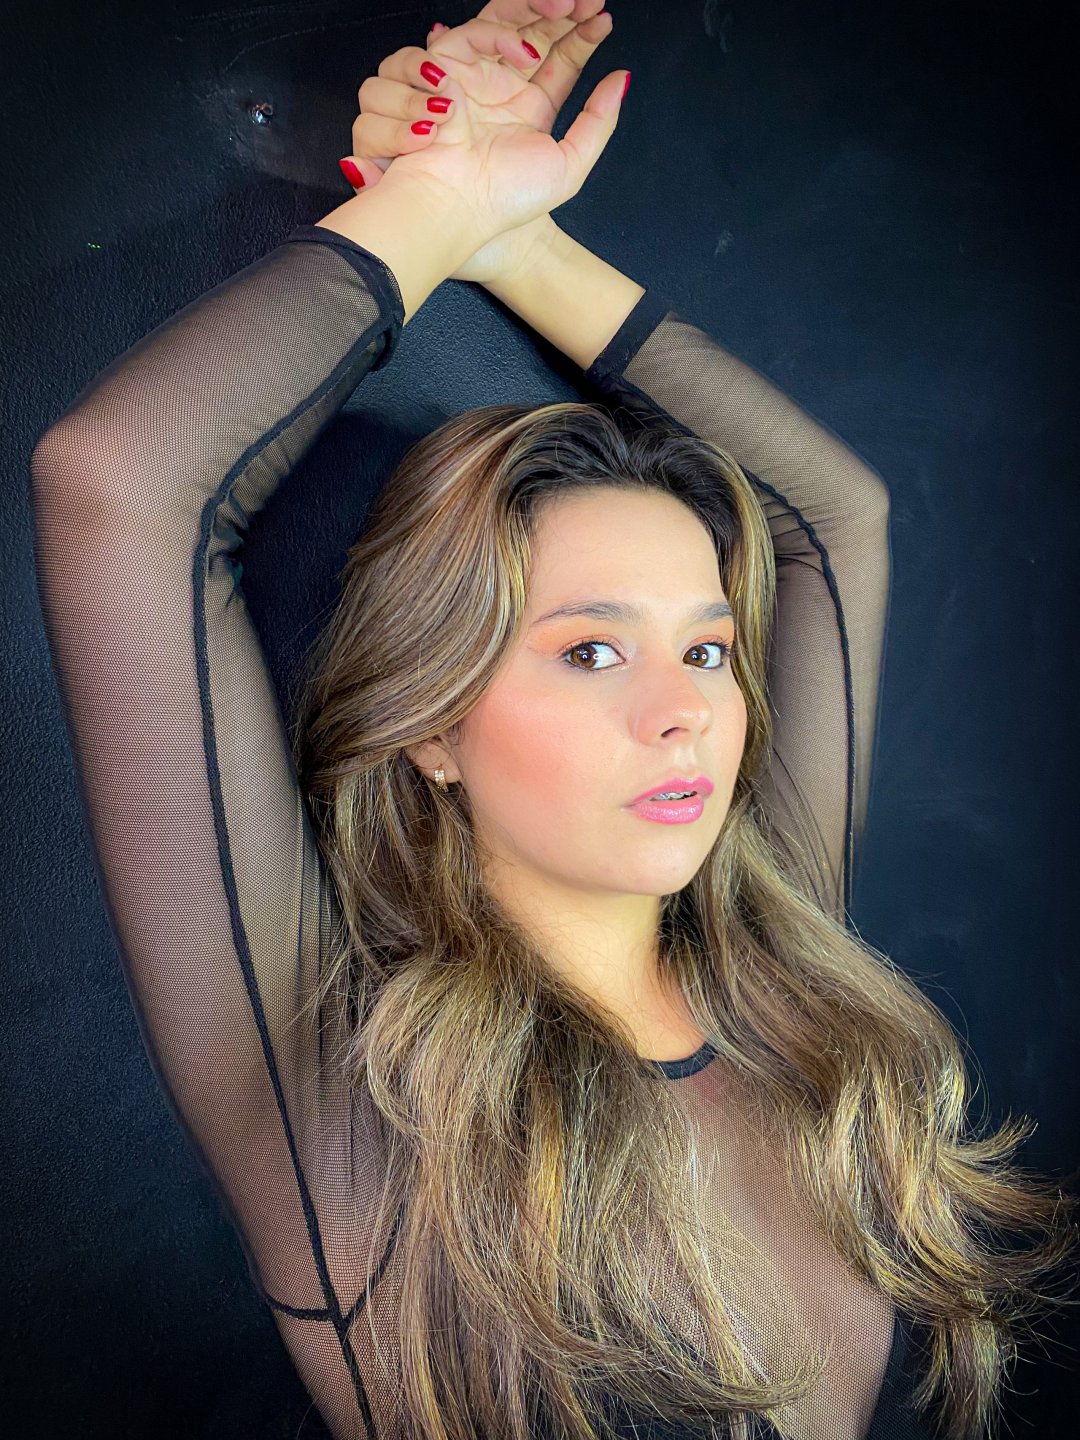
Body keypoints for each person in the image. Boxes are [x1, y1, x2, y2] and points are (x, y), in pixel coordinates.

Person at [27, 2, 1077, 1438]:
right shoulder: (347, 1113)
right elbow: (119, 482)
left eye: (708, 650)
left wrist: (521, 244)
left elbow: (833, 516)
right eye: (590, 652)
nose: (684, 715)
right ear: (430, 727)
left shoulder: (789, 981)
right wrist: (436, 205)